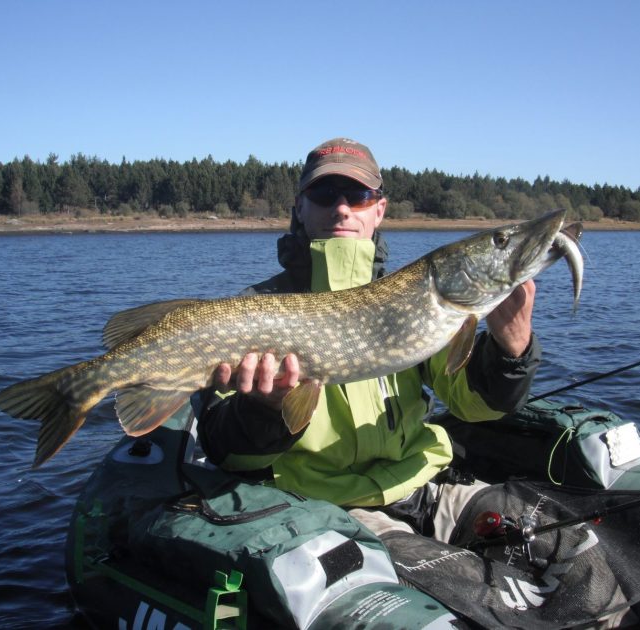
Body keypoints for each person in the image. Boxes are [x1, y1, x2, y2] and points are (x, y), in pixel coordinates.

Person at [195, 138, 541, 543]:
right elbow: (226, 452)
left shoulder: (417, 301)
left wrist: (510, 351)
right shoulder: (254, 309)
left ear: (379, 210)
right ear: (300, 209)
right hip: (323, 506)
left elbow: (474, 405)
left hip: (424, 483)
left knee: (563, 547)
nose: (341, 207)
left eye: (357, 195)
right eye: (324, 194)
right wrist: (264, 409)